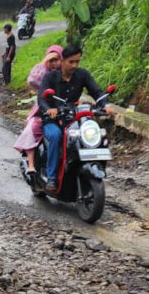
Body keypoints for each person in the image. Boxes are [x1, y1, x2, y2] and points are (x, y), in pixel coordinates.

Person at [38, 44, 115, 191]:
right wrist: (49, 109)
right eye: (71, 61)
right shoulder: (50, 77)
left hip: (73, 117)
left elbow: (96, 92)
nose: (74, 65)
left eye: (77, 61)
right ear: (62, 60)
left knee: (91, 135)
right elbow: (41, 99)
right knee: (55, 136)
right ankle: (52, 177)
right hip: (53, 119)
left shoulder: (82, 74)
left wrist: (105, 105)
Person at [13, 45, 63, 175]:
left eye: (56, 60)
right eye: (50, 60)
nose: (53, 63)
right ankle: (31, 164)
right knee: (32, 128)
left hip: (64, 110)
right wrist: (44, 63)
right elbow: (32, 80)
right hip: (44, 111)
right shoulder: (45, 75)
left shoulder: (67, 74)